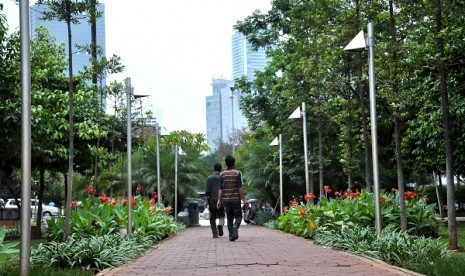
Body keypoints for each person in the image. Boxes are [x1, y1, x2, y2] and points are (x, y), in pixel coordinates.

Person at [217, 155, 248, 241]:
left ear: (226, 164)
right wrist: (244, 199)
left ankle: (231, 235)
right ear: (233, 163)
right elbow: (240, 188)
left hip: (226, 201)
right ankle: (235, 227)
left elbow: (220, 188)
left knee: (229, 218)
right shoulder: (237, 173)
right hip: (235, 200)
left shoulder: (222, 174)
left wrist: (219, 200)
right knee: (238, 216)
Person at [204, 163, 225, 238]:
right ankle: (220, 225)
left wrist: (206, 202)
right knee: (221, 215)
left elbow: (207, 191)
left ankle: (214, 233)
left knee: (212, 216)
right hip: (221, 200)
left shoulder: (209, 178)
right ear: (221, 169)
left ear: (214, 169)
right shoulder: (222, 177)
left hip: (212, 200)